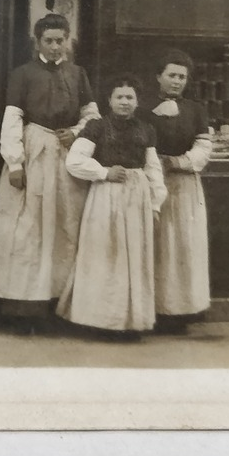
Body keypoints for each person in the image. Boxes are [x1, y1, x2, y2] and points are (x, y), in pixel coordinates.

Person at [0, 13, 100, 333]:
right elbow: (13, 119)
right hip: (34, 152)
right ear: (38, 42)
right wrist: (15, 163)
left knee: (64, 225)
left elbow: (92, 117)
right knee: (27, 228)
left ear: (68, 40)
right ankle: (21, 306)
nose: (56, 46)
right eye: (49, 41)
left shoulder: (77, 74)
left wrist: (77, 132)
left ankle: (59, 304)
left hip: (68, 156)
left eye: (61, 40)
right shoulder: (23, 74)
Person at [58, 74, 167, 340]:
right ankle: (98, 321)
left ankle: (129, 322)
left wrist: (155, 204)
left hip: (137, 198)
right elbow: (74, 161)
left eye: (130, 97)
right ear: (109, 100)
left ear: (137, 102)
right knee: (105, 256)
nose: (125, 102)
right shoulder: (96, 127)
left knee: (133, 258)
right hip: (106, 196)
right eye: (119, 97)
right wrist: (104, 172)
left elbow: (153, 169)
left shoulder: (146, 129)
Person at [143, 50, 214, 334]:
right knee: (157, 244)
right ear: (158, 76)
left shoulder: (196, 110)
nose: (176, 82)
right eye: (171, 75)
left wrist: (178, 162)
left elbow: (204, 148)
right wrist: (155, 162)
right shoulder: (144, 107)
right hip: (152, 180)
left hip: (184, 186)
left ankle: (180, 312)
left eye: (182, 77)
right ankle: (153, 309)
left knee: (183, 245)